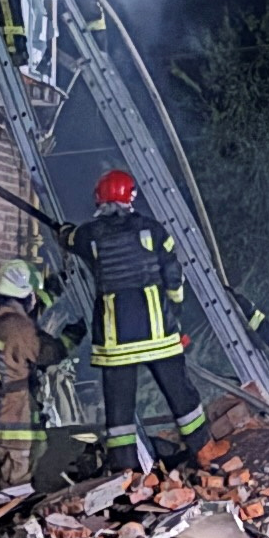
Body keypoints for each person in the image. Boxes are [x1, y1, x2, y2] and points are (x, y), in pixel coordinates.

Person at [74, 168, 206, 468]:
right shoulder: (153, 230)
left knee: (119, 411)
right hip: (158, 333)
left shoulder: (88, 236)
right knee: (181, 394)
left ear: (99, 200)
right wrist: (176, 308)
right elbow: (174, 275)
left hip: (115, 341)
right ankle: (203, 449)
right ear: (131, 197)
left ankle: (126, 469)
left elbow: (72, 238)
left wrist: (65, 233)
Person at [0, 257, 63, 487]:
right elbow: (45, 352)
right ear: (25, 294)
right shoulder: (17, 327)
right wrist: (74, 335)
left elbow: (28, 321)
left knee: (5, 482)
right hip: (15, 423)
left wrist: (52, 291)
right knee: (16, 491)